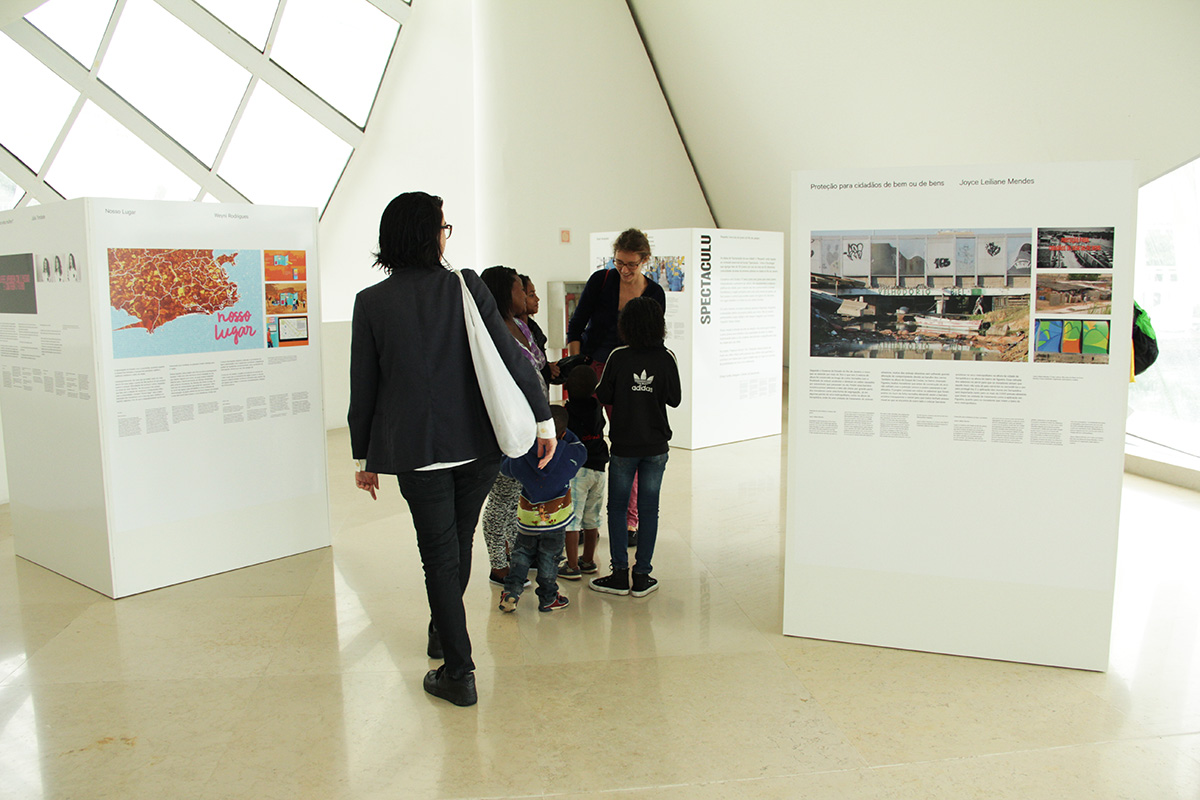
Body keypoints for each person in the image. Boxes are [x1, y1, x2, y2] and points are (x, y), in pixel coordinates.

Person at [348, 192, 555, 707]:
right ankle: (444, 634)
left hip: (416, 451)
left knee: (439, 554)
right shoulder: (465, 286)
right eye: (444, 226)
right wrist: (544, 420)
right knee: (457, 543)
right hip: (477, 446)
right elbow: (511, 356)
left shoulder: (371, 302)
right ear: (428, 234)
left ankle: (458, 670)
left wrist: (362, 456)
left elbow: (364, 387)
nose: (447, 235)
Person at [566, 229, 666, 547]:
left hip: (629, 375)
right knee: (581, 441)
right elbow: (576, 324)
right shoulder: (602, 280)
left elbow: (653, 340)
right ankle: (580, 521)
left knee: (627, 445)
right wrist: (576, 367)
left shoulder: (654, 293)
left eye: (631, 264)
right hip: (592, 369)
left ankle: (630, 520)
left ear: (645, 260)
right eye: (619, 262)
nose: (624, 270)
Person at [589, 296, 680, 598]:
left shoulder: (618, 356)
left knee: (616, 508)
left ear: (626, 325)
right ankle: (642, 576)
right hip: (656, 446)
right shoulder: (666, 357)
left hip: (624, 446)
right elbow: (675, 399)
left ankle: (618, 574)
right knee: (649, 510)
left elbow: (603, 394)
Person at [480, 265, 547, 587]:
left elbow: (536, 365)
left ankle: (513, 555)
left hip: (530, 425)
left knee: (515, 495)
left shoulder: (520, 324)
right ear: (505, 293)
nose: (525, 294)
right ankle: (498, 564)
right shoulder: (492, 331)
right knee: (501, 497)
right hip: (508, 426)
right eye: (520, 288)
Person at [498, 406, 586, 613]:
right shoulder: (570, 455)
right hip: (556, 520)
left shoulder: (521, 458)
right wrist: (561, 432)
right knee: (550, 558)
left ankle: (511, 591)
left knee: (521, 553)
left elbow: (504, 465)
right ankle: (548, 598)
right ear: (562, 434)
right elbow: (580, 448)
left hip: (528, 518)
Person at [559, 364, 607, 580]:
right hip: (599, 468)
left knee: (572, 519)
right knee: (592, 517)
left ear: (567, 388)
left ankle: (571, 566)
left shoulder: (568, 413)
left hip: (577, 471)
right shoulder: (597, 407)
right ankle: (587, 560)